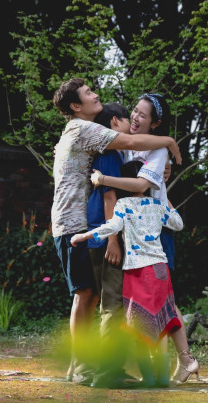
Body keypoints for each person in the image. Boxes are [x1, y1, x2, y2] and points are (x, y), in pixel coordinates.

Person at [50, 78, 181, 384]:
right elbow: (129, 149)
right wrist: (168, 142)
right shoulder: (89, 132)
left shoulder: (83, 133)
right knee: (92, 296)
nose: (95, 94)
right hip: (78, 226)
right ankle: (93, 369)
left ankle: (81, 367)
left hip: (85, 225)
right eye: (88, 93)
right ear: (76, 106)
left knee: (92, 295)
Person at [90, 93, 199, 383]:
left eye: (143, 115)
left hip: (155, 228)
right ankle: (157, 370)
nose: (136, 118)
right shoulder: (128, 144)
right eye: (135, 111)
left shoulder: (157, 150)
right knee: (142, 300)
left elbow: (140, 185)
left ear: (155, 123)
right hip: (133, 227)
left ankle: (185, 359)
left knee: (163, 299)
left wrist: (103, 179)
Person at [70, 160, 190, 387]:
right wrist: (165, 198)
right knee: (161, 318)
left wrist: (85, 236)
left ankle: (149, 379)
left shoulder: (123, 204)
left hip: (137, 270)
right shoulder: (158, 205)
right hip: (159, 268)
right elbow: (178, 224)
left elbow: (111, 227)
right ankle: (162, 378)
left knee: (138, 322)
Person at [85, 103, 133, 388]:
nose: (132, 124)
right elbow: (109, 197)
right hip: (105, 235)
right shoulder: (110, 153)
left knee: (110, 303)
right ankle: (106, 374)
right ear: (115, 121)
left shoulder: (106, 153)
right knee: (112, 304)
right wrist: (113, 239)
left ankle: (113, 368)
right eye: (128, 119)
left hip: (98, 233)